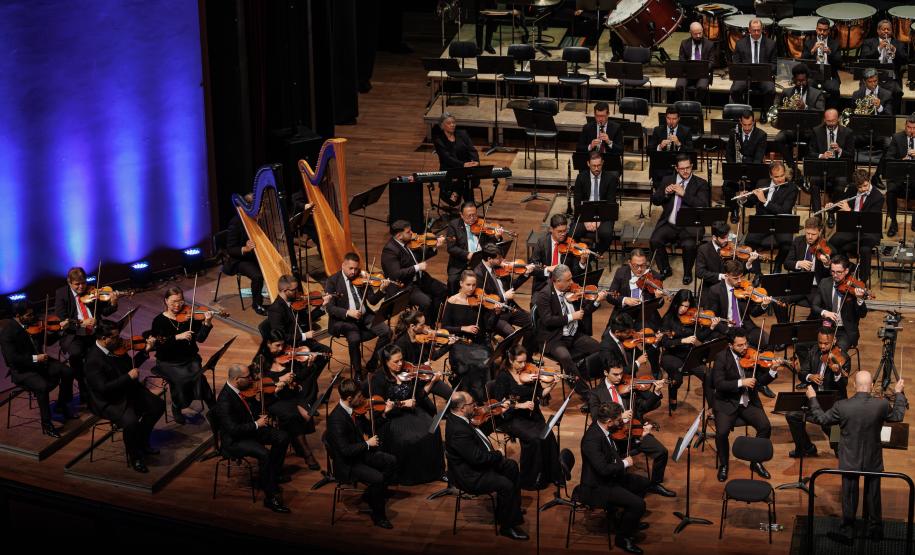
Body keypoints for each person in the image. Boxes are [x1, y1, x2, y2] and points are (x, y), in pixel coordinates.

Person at [806, 372, 907, 543]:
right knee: (873, 494)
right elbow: (897, 416)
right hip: (872, 457)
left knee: (849, 494)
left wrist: (813, 398)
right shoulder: (881, 404)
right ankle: (875, 530)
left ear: (854, 385)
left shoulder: (842, 406)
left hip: (850, 457)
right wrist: (898, 393)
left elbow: (822, 419)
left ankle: (848, 531)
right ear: (872, 385)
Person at [445, 391, 528, 540]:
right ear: (462, 408)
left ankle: (510, 509)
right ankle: (507, 526)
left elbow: (480, 433)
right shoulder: (458, 430)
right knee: (505, 485)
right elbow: (477, 458)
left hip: (476, 465)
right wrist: (498, 454)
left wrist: (501, 412)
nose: (476, 406)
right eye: (472, 404)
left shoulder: (459, 418)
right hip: (470, 475)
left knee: (511, 467)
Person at [84, 319, 163, 474]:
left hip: (127, 390)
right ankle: (135, 457)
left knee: (157, 406)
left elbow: (130, 368)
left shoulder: (116, 348)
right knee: (131, 422)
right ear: (104, 339)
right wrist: (128, 377)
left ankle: (141, 440)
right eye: (115, 337)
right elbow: (103, 388)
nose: (119, 340)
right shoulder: (93, 359)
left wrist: (145, 351)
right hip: (110, 400)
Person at [589, 355, 674, 497]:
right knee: (617, 463)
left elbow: (644, 406)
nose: (619, 377)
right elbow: (595, 416)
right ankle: (622, 491)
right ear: (605, 373)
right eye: (615, 374)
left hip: (634, 430)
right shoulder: (596, 393)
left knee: (662, 452)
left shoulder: (628, 387)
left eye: (621, 373)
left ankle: (654, 484)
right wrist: (619, 417)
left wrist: (656, 392)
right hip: (613, 437)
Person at [216, 364, 291, 513]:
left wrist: (260, 414)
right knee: (264, 454)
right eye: (248, 377)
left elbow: (248, 411)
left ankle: (272, 474)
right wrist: (257, 424)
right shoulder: (224, 400)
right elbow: (233, 429)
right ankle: (270, 497)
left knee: (283, 437)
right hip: (235, 441)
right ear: (237, 379)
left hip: (249, 430)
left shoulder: (240, 390)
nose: (251, 379)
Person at [579, 402, 650, 554]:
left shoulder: (603, 429)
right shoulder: (591, 439)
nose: (621, 422)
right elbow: (603, 470)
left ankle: (626, 521)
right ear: (609, 421)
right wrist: (624, 463)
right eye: (618, 420)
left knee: (643, 483)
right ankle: (622, 538)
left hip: (611, 477)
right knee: (639, 505)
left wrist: (640, 437)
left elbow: (615, 451)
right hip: (597, 486)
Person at [368, 345, 445, 485]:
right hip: (393, 417)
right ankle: (410, 475)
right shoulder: (379, 379)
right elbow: (380, 407)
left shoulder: (407, 371)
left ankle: (436, 471)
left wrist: (432, 381)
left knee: (434, 429)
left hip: (412, 412)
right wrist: (403, 403)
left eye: (401, 360)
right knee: (409, 439)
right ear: (385, 362)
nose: (400, 364)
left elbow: (419, 395)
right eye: (395, 362)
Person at [326, 378, 397, 529]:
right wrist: (366, 444)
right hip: (348, 464)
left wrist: (382, 415)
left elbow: (369, 430)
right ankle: (378, 516)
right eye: (360, 397)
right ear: (350, 398)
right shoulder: (336, 419)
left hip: (359, 454)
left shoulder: (355, 411)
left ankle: (373, 494)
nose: (364, 399)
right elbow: (345, 451)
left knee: (391, 461)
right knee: (378, 478)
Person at [711, 328, 780, 481]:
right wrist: (741, 382)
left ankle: (756, 462)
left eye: (745, 344)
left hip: (748, 401)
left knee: (765, 426)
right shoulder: (721, 358)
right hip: (727, 402)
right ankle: (724, 464)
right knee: (721, 433)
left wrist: (772, 371)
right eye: (739, 345)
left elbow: (760, 382)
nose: (744, 348)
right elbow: (719, 384)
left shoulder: (752, 355)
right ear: (730, 345)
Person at [0, 301, 76, 436]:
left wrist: (60, 330)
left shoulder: (32, 325)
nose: (33, 317)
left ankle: (61, 405)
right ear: (18, 315)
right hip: (23, 370)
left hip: (41, 362)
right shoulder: (7, 332)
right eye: (29, 315)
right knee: (42, 386)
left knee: (67, 371)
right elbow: (12, 360)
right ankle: (47, 424)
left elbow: (46, 339)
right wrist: (35, 358)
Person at [492, 345, 562, 490]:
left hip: (533, 414)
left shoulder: (529, 372)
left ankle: (550, 475)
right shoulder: (503, 376)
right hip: (513, 417)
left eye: (525, 361)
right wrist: (520, 405)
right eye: (520, 362)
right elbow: (501, 403)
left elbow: (540, 394)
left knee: (547, 435)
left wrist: (553, 383)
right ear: (511, 360)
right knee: (534, 439)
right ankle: (531, 479)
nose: (524, 365)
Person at [533, 264, 606, 402]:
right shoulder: (544, 295)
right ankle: (587, 395)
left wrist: (596, 302)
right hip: (554, 338)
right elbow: (548, 320)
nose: (572, 282)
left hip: (574, 334)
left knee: (600, 349)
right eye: (568, 280)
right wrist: (572, 317)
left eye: (571, 278)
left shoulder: (573, 291)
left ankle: (591, 378)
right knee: (566, 358)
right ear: (557, 281)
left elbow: (585, 312)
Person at [148, 287, 215, 424]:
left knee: (200, 378)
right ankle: (177, 406)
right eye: (173, 302)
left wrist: (207, 323)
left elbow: (200, 339)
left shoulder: (190, 316)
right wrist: (177, 337)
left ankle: (214, 407)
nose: (177, 305)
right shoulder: (159, 321)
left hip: (189, 359)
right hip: (168, 361)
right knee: (180, 382)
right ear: (166, 301)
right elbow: (159, 344)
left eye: (180, 301)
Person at [255, 331, 321, 470]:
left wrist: (309, 365)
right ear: (267, 344)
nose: (281, 349)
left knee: (307, 415)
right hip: (273, 399)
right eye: (277, 345)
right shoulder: (260, 361)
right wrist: (280, 380)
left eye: (282, 345)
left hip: (291, 395)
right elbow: (260, 388)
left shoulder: (288, 357)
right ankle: (306, 452)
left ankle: (297, 444)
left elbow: (299, 377)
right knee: (293, 415)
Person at [55, 266, 119, 401]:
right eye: (77, 284)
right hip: (74, 333)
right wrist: (81, 322)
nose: (81, 287)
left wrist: (113, 303)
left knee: (110, 345)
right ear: (69, 282)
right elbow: (62, 319)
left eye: (83, 282)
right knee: (76, 354)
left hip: (94, 330)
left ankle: (108, 383)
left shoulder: (92, 291)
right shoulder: (61, 294)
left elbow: (105, 311)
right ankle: (83, 387)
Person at [324, 252, 392, 376]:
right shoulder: (332, 281)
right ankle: (358, 373)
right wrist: (348, 312)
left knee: (387, 332)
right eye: (351, 268)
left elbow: (372, 300)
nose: (354, 272)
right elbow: (330, 308)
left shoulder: (362, 278)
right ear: (343, 265)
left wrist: (382, 290)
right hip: (345, 321)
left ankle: (372, 362)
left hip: (365, 317)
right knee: (354, 339)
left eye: (356, 269)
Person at [784, 328, 849, 458]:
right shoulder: (814, 351)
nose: (822, 346)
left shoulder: (843, 357)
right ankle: (806, 447)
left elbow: (843, 385)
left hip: (833, 403)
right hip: (814, 400)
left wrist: (837, 373)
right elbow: (802, 373)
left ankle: (837, 448)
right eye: (820, 343)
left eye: (826, 343)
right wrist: (810, 376)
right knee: (792, 415)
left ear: (834, 341)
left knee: (833, 428)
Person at [649, 154, 710, 285]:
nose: (686, 171)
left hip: (690, 226)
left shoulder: (701, 183)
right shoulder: (667, 180)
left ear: (692, 166)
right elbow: (655, 201)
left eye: (688, 168)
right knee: (655, 240)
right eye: (682, 169)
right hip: (670, 223)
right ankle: (665, 269)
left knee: (689, 245)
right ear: (676, 168)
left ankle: (687, 272)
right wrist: (665, 193)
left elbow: (703, 206)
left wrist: (684, 194)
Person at [266, 274, 332, 388]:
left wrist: (322, 307)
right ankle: (305, 382)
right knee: (315, 361)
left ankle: (308, 380)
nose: (297, 292)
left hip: (302, 340)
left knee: (326, 353)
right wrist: (304, 336)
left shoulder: (294, 302)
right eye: (294, 290)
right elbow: (281, 337)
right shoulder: (275, 310)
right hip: (291, 346)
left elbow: (306, 319)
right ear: (285, 290)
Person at [381, 219, 448, 324]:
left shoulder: (407, 242)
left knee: (442, 290)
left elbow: (418, 257)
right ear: (399, 236)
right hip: (405, 285)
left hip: (419, 278)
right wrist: (417, 267)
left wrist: (434, 246)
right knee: (426, 302)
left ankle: (432, 322)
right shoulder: (390, 251)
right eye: (408, 232)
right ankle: (423, 326)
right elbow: (396, 274)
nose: (412, 233)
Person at [658, 289, 715, 410]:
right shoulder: (668, 319)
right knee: (677, 377)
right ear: (676, 303)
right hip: (671, 355)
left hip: (689, 355)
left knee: (708, 375)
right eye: (682, 305)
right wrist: (683, 341)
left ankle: (712, 408)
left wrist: (711, 328)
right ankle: (673, 396)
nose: (684, 309)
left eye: (687, 306)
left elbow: (700, 337)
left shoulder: (693, 318)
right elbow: (665, 343)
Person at [442, 270, 495, 401]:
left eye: (474, 285)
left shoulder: (479, 302)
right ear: (461, 283)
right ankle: (469, 399)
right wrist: (463, 328)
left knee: (487, 361)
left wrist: (496, 313)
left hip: (478, 343)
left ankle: (483, 400)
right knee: (476, 364)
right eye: (468, 285)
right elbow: (444, 328)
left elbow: (489, 326)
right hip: (459, 345)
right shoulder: (452, 301)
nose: (471, 288)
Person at [474, 243, 535, 352]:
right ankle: (503, 357)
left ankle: (525, 355)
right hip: (494, 314)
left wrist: (525, 274)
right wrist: (503, 296)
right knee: (512, 334)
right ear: (489, 259)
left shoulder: (499, 268)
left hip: (509, 308)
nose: (503, 260)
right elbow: (483, 299)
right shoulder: (478, 274)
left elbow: (512, 287)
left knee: (532, 322)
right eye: (499, 258)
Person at [742, 161, 799, 278]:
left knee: (787, 244)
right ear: (771, 175)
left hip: (781, 221)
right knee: (749, 242)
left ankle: (778, 264)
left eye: (782, 175)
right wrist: (744, 199)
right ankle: (757, 272)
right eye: (776, 177)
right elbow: (751, 202)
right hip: (762, 220)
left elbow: (784, 210)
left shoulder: (792, 188)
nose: (780, 179)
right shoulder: (762, 183)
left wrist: (765, 201)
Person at [826, 169, 884, 280]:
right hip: (852, 228)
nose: (863, 189)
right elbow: (841, 202)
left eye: (865, 186)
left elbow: (869, 220)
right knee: (833, 242)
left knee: (864, 250)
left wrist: (850, 212)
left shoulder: (878, 197)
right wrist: (831, 208)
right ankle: (845, 270)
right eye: (860, 187)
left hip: (869, 231)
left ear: (869, 181)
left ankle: (862, 281)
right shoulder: (852, 189)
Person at [774, 63, 826, 172]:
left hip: (809, 130)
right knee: (778, 139)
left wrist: (806, 107)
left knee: (817, 141)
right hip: (791, 129)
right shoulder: (786, 92)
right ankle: (793, 167)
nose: (801, 83)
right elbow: (778, 109)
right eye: (798, 81)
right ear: (794, 79)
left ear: (807, 79)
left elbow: (820, 112)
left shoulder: (817, 94)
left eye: (803, 81)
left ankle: (809, 171)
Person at [811, 253, 868, 350]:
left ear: (846, 271)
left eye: (839, 272)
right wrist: (825, 312)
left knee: (836, 353)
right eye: (832, 272)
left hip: (845, 330)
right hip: (827, 327)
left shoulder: (852, 287)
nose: (835, 275)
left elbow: (862, 314)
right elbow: (814, 306)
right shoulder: (824, 283)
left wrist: (859, 299)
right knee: (804, 347)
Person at [807, 109, 856, 220]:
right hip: (821, 168)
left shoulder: (847, 132)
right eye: (828, 121)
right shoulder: (816, 131)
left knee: (841, 182)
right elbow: (810, 152)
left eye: (833, 121)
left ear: (838, 119)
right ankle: (817, 216)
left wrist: (839, 150)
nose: (831, 124)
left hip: (839, 169)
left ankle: (831, 213)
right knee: (813, 182)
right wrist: (821, 155)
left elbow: (851, 155)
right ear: (824, 120)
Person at [445, 201, 503, 293]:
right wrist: (467, 255)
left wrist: (496, 237)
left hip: (480, 261)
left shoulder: (481, 224)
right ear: (461, 215)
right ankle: (453, 303)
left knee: (499, 276)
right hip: (461, 262)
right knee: (453, 281)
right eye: (469, 216)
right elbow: (451, 248)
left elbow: (489, 246)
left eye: (475, 215)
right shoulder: (454, 225)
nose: (473, 218)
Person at [722, 110, 768, 223]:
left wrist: (748, 173)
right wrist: (735, 169)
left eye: (749, 124)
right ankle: (734, 210)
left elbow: (758, 158)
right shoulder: (733, 132)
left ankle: (759, 214)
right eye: (744, 124)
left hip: (753, 170)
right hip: (737, 167)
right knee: (727, 186)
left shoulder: (761, 135)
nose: (747, 128)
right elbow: (729, 153)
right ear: (740, 122)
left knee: (761, 186)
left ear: (753, 122)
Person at [224, 200, 267, 315]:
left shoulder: (260, 220)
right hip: (239, 260)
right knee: (258, 276)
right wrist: (245, 248)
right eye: (259, 208)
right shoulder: (236, 222)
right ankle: (257, 304)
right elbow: (231, 249)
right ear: (250, 208)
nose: (262, 211)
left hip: (255, 255)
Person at [729, 18, 776, 122]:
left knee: (770, 89)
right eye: (754, 30)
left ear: (762, 29)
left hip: (763, 77)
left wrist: (765, 71)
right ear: (749, 30)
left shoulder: (770, 44)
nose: (756, 33)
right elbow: (736, 64)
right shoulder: (740, 44)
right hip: (745, 76)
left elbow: (774, 65)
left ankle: (764, 111)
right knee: (735, 89)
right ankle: (743, 111)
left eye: (758, 30)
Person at [784, 217, 833, 315]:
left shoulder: (827, 247)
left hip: (815, 287)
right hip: (798, 284)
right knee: (778, 301)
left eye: (813, 234)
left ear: (820, 232)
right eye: (807, 233)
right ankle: (785, 325)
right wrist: (798, 263)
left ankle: (807, 328)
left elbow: (829, 275)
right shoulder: (798, 241)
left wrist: (826, 264)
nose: (810, 237)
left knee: (818, 309)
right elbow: (786, 263)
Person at [572, 151, 618, 254]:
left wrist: (599, 220)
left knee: (606, 234)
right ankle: (580, 253)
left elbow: (610, 202)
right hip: (585, 212)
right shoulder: (581, 177)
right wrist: (585, 220)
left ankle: (596, 253)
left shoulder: (611, 178)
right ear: (588, 164)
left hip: (604, 212)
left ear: (602, 163)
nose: (596, 169)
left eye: (599, 165)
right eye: (594, 166)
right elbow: (577, 201)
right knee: (572, 233)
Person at [529, 213, 589, 292]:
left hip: (565, 286)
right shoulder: (542, 242)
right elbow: (533, 267)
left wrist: (582, 262)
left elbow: (575, 272)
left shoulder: (571, 243)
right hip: (544, 283)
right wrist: (547, 269)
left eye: (565, 231)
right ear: (551, 229)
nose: (563, 234)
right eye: (559, 231)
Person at [695, 221, 755, 298]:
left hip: (732, 287)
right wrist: (720, 276)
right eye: (723, 238)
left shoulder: (732, 248)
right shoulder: (703, 249)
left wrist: (749, 263)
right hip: (711, 286)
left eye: (727, 236)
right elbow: (700, 272)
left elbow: (738, 271)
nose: (726, 240)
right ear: (714, 237)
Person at [433, 112, 480, 207]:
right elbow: (447, 158)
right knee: (454, 201)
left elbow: (472, 150)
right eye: (449, 123)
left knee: (468, 184)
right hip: (451, 172)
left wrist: (475, 161)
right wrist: (462, 164)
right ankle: (454, 200)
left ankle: (469, 205)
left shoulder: (462, 134)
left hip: (466, 171)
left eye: (454, 122)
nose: (452, 125)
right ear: (442, 125)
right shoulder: (439, 140)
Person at [882, 114, 915, 237]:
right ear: (905, 126)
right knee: (890, 191)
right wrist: (902, 160)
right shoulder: (897, 138)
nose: (911, 131)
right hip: (900, 178)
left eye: (914, 128)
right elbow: (889, 159)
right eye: (908, 127)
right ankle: (894, 222)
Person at [860, 19, 908, 98]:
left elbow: (905, 60)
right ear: (878, 31)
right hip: (872, 77)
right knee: (864, 91)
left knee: (897, 92)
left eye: (888, 29)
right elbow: (864, 57)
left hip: (892, 78)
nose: (886, 31)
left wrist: (895, 51)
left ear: (892, 31)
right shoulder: (868, 42)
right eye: (883, 29)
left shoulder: (898, 44)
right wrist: (879, 48)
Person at [647, 106, 694, 187]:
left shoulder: (686, 131)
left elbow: (691, 152)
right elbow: (649, 151)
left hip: (679, 168)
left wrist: (679, 144)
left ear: (679, 118)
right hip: (661, 168)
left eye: (674, 119)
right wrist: (660, 146)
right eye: (668, 118)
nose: (671, 121)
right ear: (665, 118)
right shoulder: (657, 130)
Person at [803, 18, 842, 107]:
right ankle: (810, 111)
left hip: (830, 75)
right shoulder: (809, 43)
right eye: (819, 30)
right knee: (808, 86)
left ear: (828, 31)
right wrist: (812, 51)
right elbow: (803, 61)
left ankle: (831, 112)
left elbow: (839, 63)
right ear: (816, 29)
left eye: (824, 30)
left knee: (835, 89)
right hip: (813, 75)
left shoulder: (835, 43)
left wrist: (830, 53)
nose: (821, 33)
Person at [677, 22, 715, 104]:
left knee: (702, 87)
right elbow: (681, 60)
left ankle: (696, 105)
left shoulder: (710, 44)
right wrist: (688, 69)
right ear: (690, 33)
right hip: (687, 73)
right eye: (695, 34)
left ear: (702, 31)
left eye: (700, 33)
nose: (698, 36)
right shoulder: (684, 43)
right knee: (679, 86)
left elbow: (711, 62)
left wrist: (701, 70)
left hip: (703, 73)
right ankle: (687, 105)